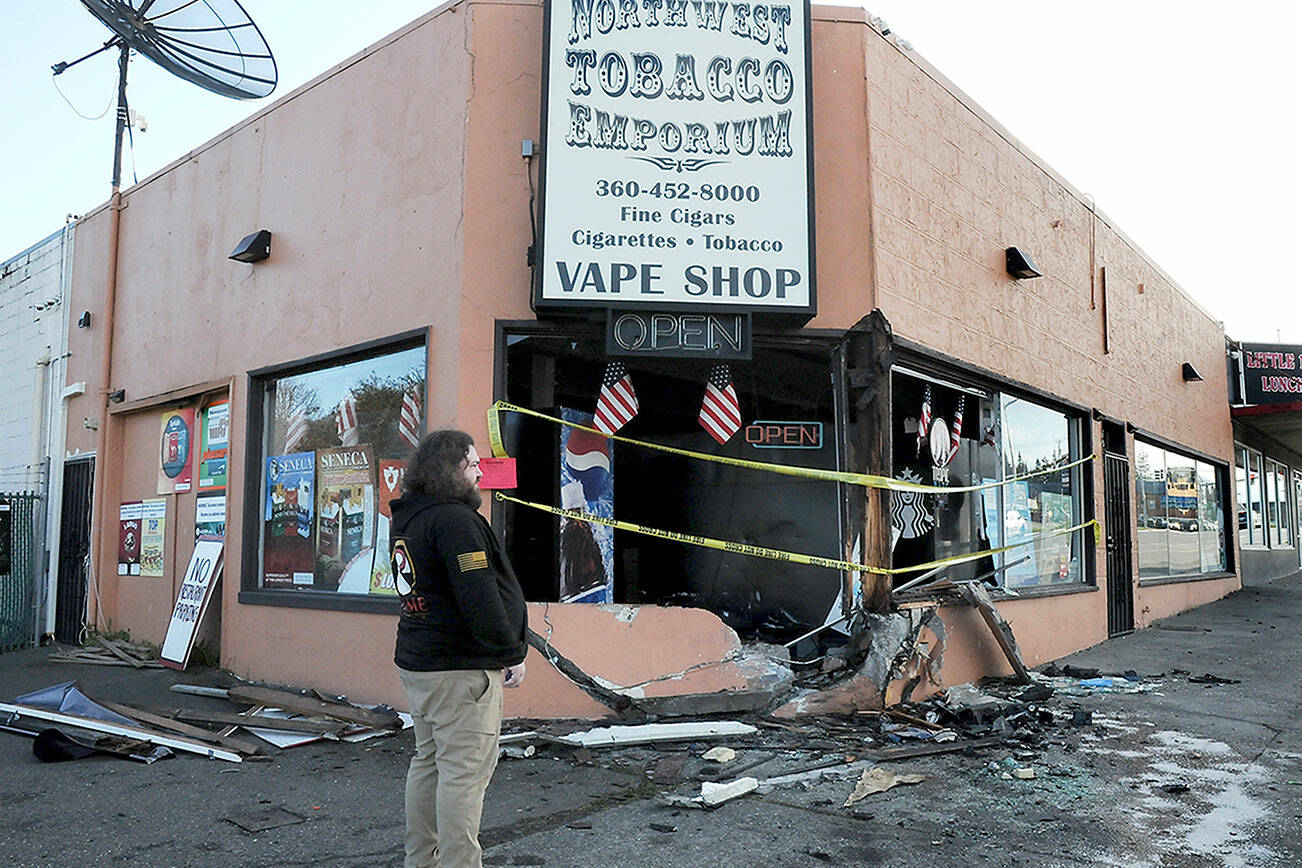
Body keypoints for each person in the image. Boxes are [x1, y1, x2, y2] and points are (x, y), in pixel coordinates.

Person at [391, 429, 528, 868]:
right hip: (459, 669)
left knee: (429, 762)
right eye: (472, 465)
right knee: (463, 776)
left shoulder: (410, 517)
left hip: (421, 662)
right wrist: (510, 652)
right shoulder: (455, 521)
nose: (479, 474)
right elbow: (479, 596)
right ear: (451, 471)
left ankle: (421, 861)